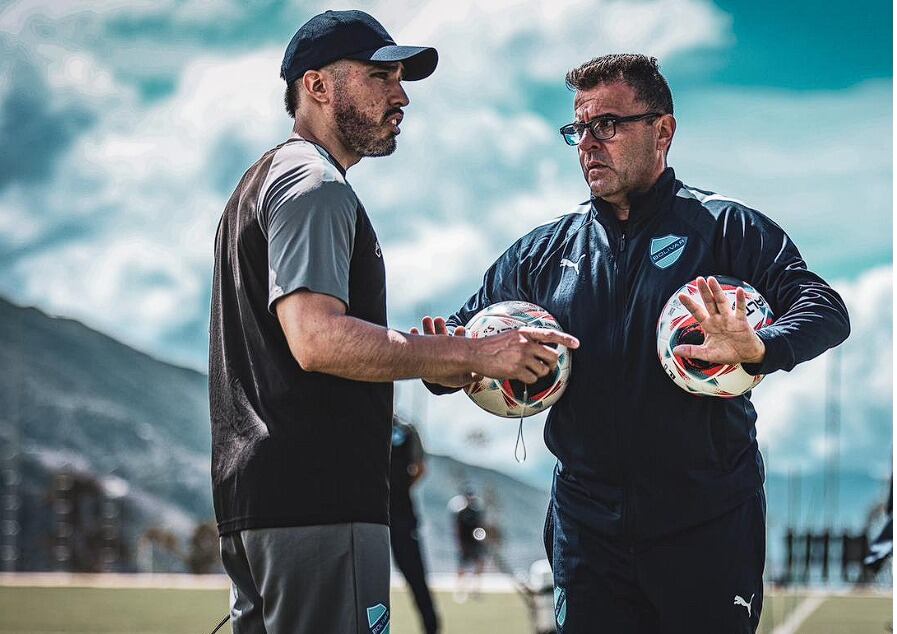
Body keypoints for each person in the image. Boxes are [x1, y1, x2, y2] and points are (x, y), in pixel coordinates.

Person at [423, 54, 850, 632]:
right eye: (578, 129)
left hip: (707, 527)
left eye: (608, 125)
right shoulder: (542, 255)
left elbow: (825, 309)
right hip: (587, 534)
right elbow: (463, 336)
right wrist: (443, 366)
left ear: (663, 131)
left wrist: (760, 346)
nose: (588, 144)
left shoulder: (726, 229)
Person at [208, 10, 579, 633]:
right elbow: (317, 339)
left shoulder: (263, 182)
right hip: (319, 507)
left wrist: (438, 355)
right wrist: (472, 355)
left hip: (266, 505)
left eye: (401, 78)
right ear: (317, 86)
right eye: (381, 75)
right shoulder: (314, 185)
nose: (400, 95)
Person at [389, 416, 440, 633]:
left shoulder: (406, 429)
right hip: (370, 512)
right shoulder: (363, 420)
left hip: (401, 514)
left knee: (415, 575)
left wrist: (400, 488)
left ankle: (431, 627)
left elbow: (420, 468)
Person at [448, 486, 488, 601]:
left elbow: (481, 528)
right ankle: (459, 590)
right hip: (464, 544)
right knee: (462, 568)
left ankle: (476, 590)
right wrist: (460, 545)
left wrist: (482, 540)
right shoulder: (461, 513)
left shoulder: (477, 512)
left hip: (475, 544)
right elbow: (457, 530)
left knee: (480, 564)